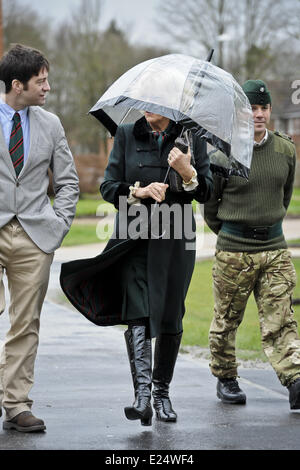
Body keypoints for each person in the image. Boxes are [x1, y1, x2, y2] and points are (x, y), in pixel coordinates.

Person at [60, 111, 212, 425]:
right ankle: (142, 397)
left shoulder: (190, 137)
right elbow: (108, 187)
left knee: (171, 313)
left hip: (176, 236)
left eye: (155, 100)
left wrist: (188, 173)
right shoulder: (127, 134)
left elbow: (207, 191)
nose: (147, 106)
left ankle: (161, 393)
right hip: (134, 235)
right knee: (139, 310)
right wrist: (138, 191)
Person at [204, 79, 300, 409]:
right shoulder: (222, 153)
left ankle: (295, 380)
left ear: (270, 111)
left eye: (263, 108)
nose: (258, 114)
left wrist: (266, 225)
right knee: (226, 320)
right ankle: (226, 378)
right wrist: (235, 233)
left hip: (274, 249)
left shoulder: (285, 150)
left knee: (281, 319)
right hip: (234, 251)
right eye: (251, 108)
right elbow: (210, 206)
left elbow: (283, 197)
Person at [0, 44, 79, 432]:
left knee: (25, 323)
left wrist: (59, 224)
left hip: (34, 236)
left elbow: (67, 182)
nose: (47, 87)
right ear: (18, 85)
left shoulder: (51, 123)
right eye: (40, 81)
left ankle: (15, 405)